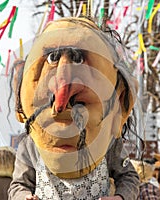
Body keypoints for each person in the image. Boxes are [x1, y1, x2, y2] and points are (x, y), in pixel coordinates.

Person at [8, 16, 141, 200]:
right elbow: (18, 184)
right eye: (53, 57)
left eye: (79, 104)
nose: (61, 105)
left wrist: (120, 197)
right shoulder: (31, 145)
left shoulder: (109, 144)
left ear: (120, 102)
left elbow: (129, 177)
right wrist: (24, 197)